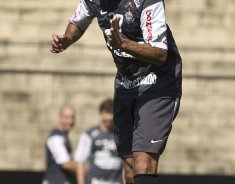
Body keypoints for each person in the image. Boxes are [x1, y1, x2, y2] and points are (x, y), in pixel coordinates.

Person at [50, 0, 182, 183]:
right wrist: (67, 39)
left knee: (143, 161)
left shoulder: (147, 1)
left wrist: (123, 44)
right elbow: (78, 22)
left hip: (157, 82)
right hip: (126, 82)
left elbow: (160, 53)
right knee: (128, 167)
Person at [75, 98, 123, 184]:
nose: (110, 117)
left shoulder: (122, 135)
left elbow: (126, 162)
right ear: (101, 113)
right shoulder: (89, 135)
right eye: (107, 113)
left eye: (112, 113)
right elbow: (80, 161)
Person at [42, 106, 77, 184]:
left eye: (72, 117)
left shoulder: (63, 136)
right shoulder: (55, 137)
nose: (70, 121)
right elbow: (65, 164)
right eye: (67, 117)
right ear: (60, 118)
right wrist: (85, 169)